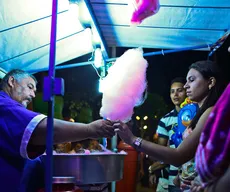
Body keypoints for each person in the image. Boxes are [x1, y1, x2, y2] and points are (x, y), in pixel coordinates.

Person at [115, 60, 226, 191]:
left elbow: (179, 155)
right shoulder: (196, 113)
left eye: (191, 80)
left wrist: (133, 140)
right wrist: (183, 173)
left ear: (211, 82)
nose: (186, 86)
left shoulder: (210, 112)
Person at [0, 69, 116, 191]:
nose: (33, 95)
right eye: (30, 87)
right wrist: (90, 129)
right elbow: (45, 130)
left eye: (35, 91)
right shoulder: (3, 104)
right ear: (12, 81)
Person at [150, 77, 186, 192]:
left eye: (179, 90)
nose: (175, 94)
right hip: (173, 177)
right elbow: (161, 152)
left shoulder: (197, 115)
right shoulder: (165, 120)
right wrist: (154, 169)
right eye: (172, 91)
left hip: (194, 175)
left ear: (187, 91)